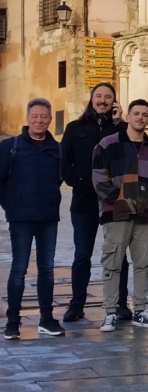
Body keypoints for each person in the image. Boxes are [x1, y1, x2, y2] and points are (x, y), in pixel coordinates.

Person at [92, 99, 148, 332]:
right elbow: (98, 177)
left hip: (145, 216)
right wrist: (124, 199)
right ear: (127, 116)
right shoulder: (107, 145)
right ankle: (109, 312)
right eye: (136, 113)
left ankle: (140, 310)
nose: (140, 118)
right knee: (112, 262)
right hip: (117, 214)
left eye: (144, 114)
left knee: (142, 264)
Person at [60, 83, 131, 324]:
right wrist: (78, 181)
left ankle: (121, 304)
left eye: (107, 97)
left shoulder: (122, 129)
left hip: (115, 201)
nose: (102, 100)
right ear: (91, 99)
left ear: (114, 101)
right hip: (84, 200)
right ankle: (77, 304)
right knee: (82, 255)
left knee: (118, 254)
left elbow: (132, 155)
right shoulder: (74, 128)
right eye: (98, 96)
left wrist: (120, 123)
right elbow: (64, 162)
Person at [0, 99, 65, 340]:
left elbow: (59, 179)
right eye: (35, 116)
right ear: (27, 118)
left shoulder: (56, 148)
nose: (39, 120)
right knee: (19, 269)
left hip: (48, 217)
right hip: (21, 218)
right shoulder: (11, 146)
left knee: (47, 269)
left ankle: (46, 319)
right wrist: (11, 206)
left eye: (44, 116)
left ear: (49, 119)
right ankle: (13, 321)